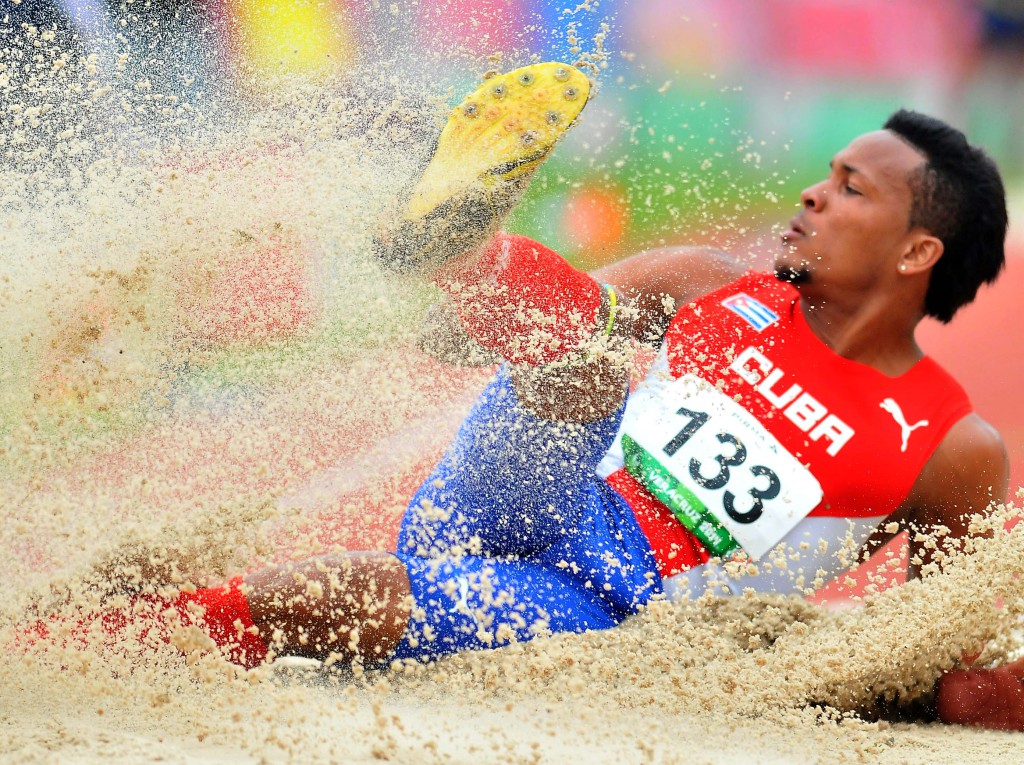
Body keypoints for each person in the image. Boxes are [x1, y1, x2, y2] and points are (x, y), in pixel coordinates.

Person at [29, 62, 1018, 729]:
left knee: (336, 594)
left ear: (917, 250)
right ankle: (455, 243)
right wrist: (484, 297)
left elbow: (928, 656)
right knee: (583, 356)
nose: (811, 194)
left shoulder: (951, 448)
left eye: (851, 189)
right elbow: (447, 341)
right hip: (527, 494)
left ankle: (74, 644)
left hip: (599, 613)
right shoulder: (710, 283)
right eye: (825, 173)